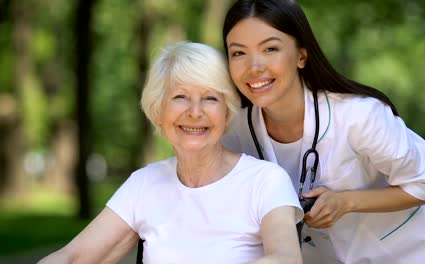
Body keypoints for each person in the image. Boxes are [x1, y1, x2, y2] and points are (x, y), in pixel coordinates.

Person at [221, 0, 425, 263]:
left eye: (270, 48)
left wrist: (346, 202)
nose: (254, 66)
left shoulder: (359, 116)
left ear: (301, 56)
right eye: (238, 53)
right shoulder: (234, 133)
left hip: (420, 255)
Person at [38, 41, 304, 264]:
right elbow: (72, 257)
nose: (195, 111)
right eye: (180, 97)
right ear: (158, 110)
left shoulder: (265, 180)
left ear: (227, 111)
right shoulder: (144, 185)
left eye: (211, 98)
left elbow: (286, 258)